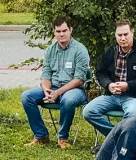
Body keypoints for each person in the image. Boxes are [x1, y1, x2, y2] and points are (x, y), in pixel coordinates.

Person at [83, 19, 136, 141]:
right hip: (112, 96)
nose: (123, 38)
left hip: (135, 97)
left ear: (132, 33)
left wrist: (128, 85)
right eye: (119, 35)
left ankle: (122, 142)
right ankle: (116, 138)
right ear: (116, 36)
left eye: (125, 34)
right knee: (88, 111)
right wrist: (108, 85)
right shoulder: (110, 52)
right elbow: (100, 73)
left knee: (132, 115)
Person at [22, 16, 90, 149]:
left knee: (68, 100)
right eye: (58, 31)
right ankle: (41, 136)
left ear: (71, 30)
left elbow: (79, 79)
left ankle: (63, 138)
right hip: (53, 88)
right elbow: (46, 74)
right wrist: (47, 90)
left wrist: (57, 93)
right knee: (27, 96)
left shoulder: (80, 50)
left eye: (64, 30)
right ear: (54, 32)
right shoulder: (50, 50)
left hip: (75, 89)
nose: (62, 34)